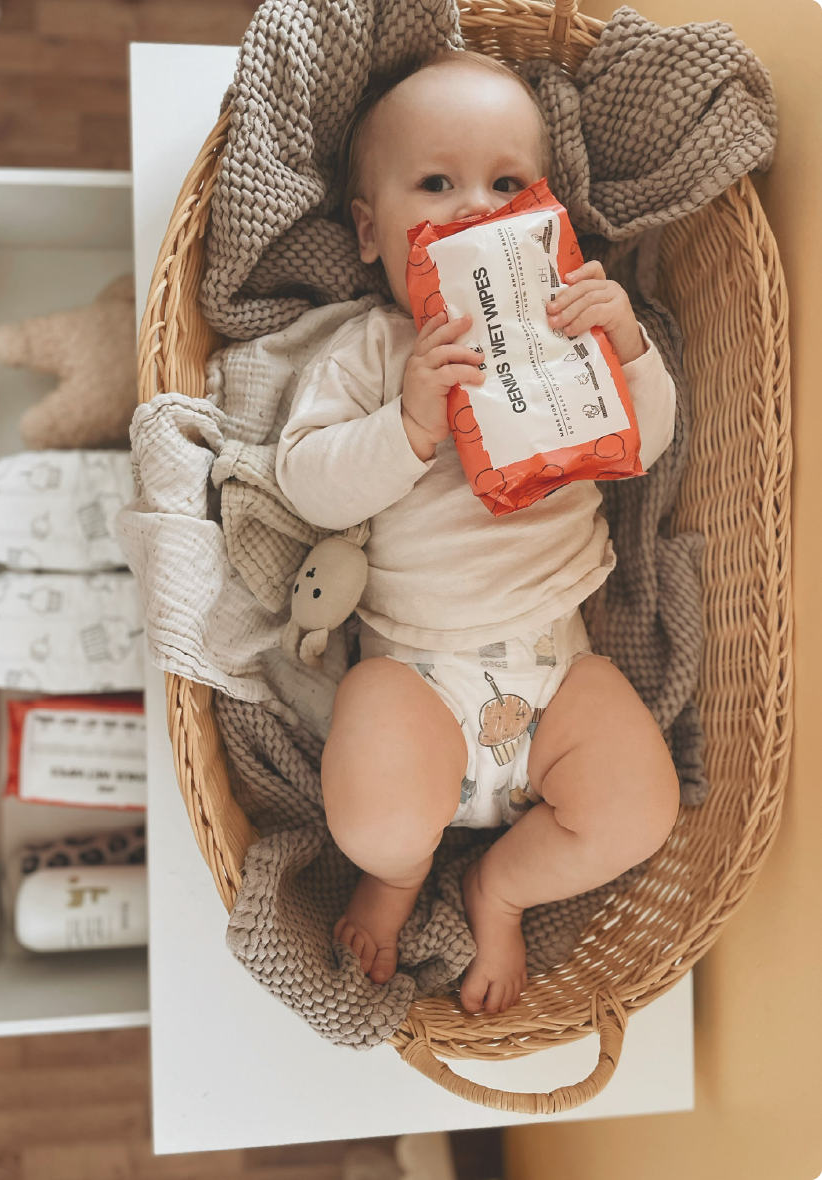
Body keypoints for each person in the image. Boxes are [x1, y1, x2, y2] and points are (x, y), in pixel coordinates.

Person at [276, 49, 681, 1016]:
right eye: (436, 183)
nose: (472, 208)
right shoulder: (372, 349)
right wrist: (407, 427)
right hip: (418, 674)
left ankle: (497, 884)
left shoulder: (559, 326)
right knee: (372, 812)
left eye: (505, 184)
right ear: (371, 232)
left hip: (557, 670)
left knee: (642, 808)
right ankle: (402, 868)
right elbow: (308, 482)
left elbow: (642, 447)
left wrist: (626, 350)